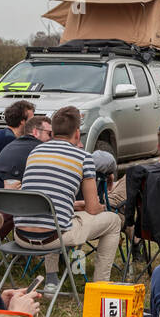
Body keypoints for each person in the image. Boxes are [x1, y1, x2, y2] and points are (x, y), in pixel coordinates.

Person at [19, 106, 122, 290]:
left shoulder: (35, 152)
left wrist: (73, 205)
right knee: (113, 221)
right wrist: (100, 208)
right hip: (53, 237)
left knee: (58, 218)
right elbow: (92, 209)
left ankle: (51, 280)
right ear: (77, 133)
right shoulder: (83, 157)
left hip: (21, 236)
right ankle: (101, 286)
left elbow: (46, 198)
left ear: (53, 132)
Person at [0, 113, 50, 184]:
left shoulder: (10, 145)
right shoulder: (40, 150)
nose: (51, 138)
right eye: (49, 133)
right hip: (18, 193)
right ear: (35, 132)